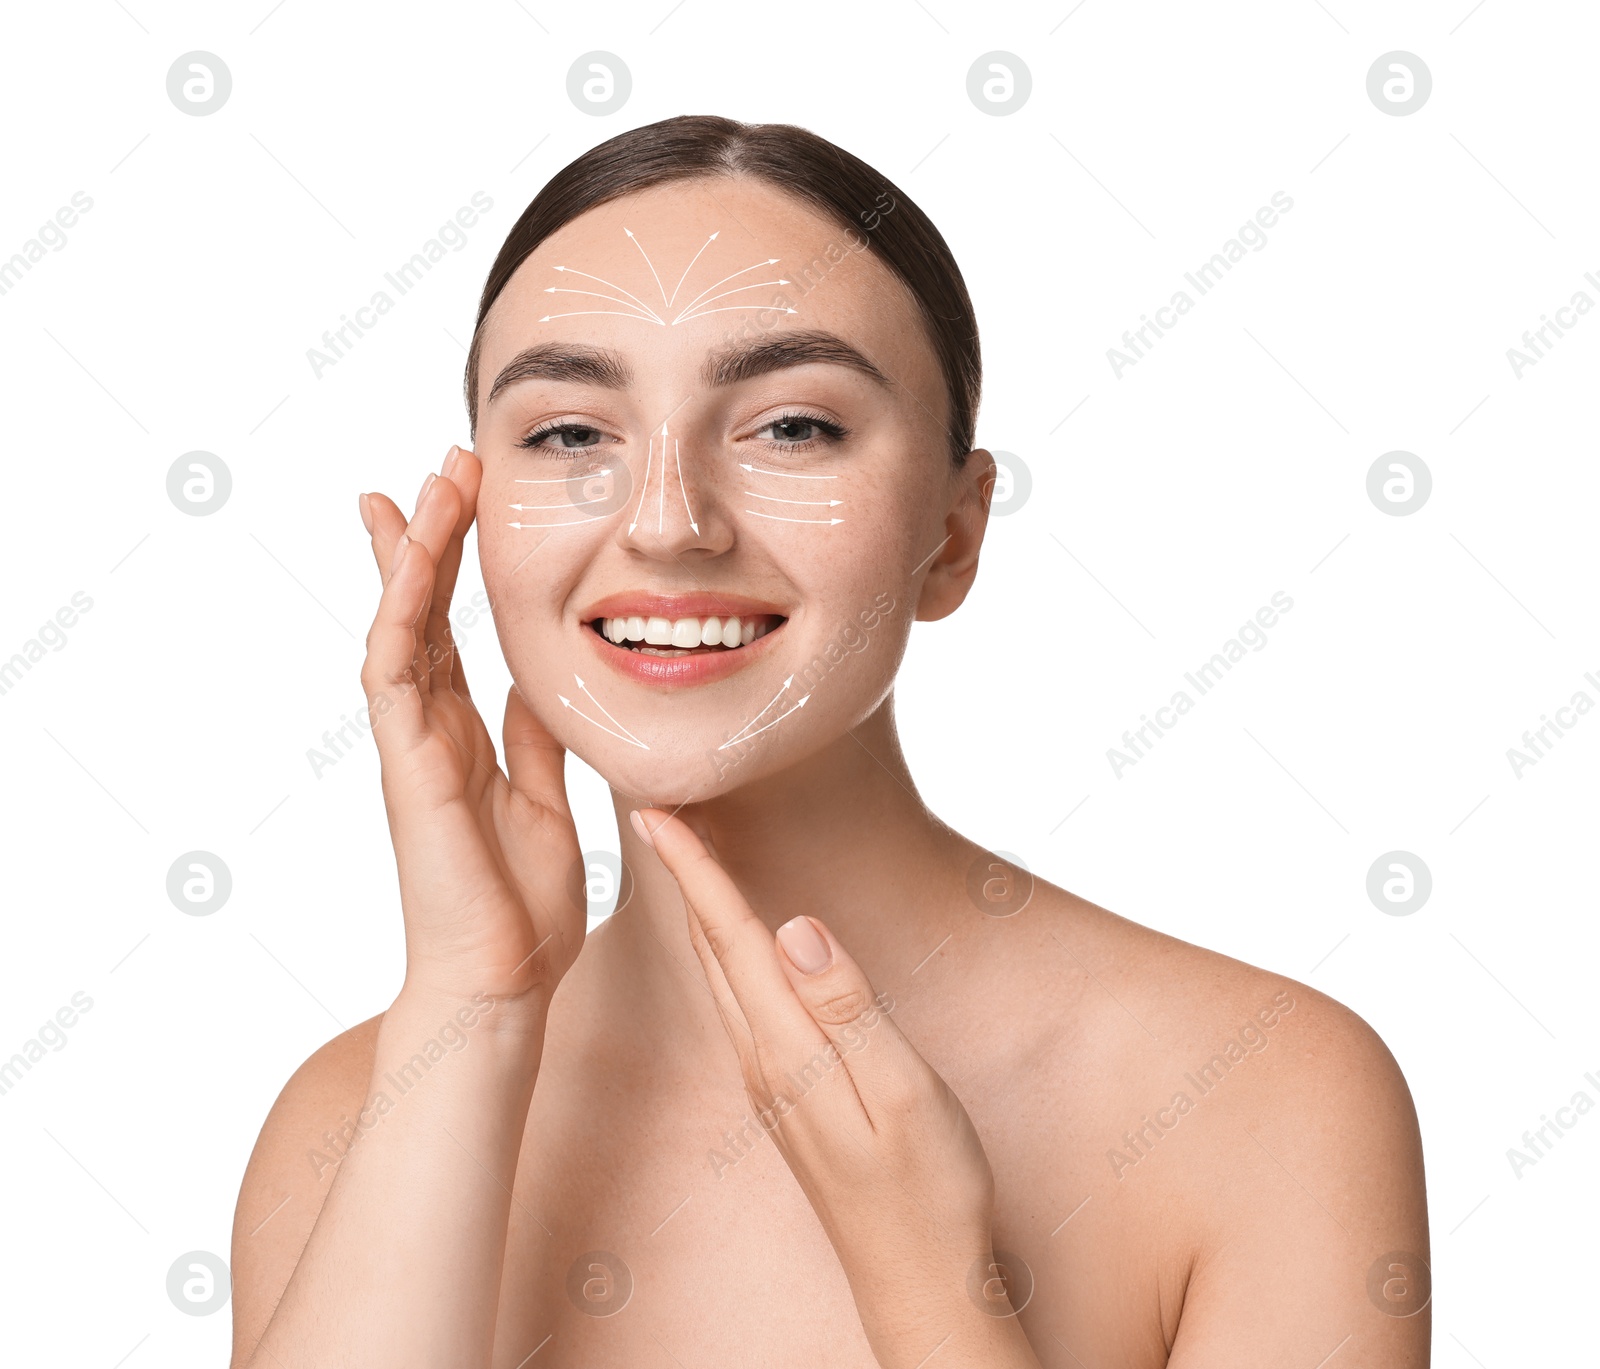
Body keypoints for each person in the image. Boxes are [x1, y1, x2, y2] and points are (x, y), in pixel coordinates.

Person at [228, 115, 1429, 1368]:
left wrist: (933, 1283)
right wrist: (467, 1019)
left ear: (953, 535)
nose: (668, 522)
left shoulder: (1261, 1095)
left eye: (791, 426)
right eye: (571, 432)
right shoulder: (355, 1115)